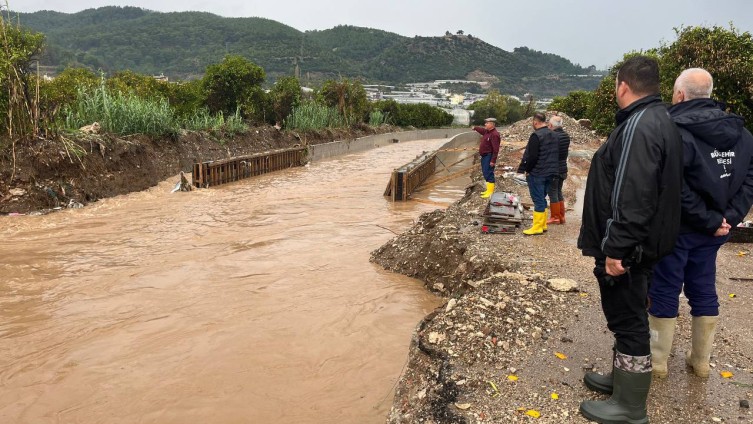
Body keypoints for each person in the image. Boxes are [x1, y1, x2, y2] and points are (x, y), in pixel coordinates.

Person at [577, 56, 683, 424]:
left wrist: (616, 248)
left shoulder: (639, 125)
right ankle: (622, 383)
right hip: (646, 244)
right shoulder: (658, 118)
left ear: (622, 85)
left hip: (630, 249)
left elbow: (632, 195)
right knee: (628, 315)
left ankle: (631, 405)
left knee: (628, 320)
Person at [647, 68, 753, 379]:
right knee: (704, 287)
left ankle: (657, 364)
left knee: (665, 287)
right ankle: (701, 362)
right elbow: (749, 180)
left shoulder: (672, 130)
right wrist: (728, 219)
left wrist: (709, 219)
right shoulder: (744, 135)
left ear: (679, 95)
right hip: (717, 230)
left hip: (678, 228)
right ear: (709, 95)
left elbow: (674, 185)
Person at [517, 112, 559, 235]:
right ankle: (543, 224)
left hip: (538, 173)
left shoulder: (536, 136)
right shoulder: (554, 135)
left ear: (535, 122)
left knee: (538, 200)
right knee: (543, 198)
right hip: (551, 172)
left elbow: (532, 156)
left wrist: (527, 170)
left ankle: (537, 228)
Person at [546, 115, 571, 225]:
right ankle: (561, 216)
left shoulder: (552, 136)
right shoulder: (566, 135)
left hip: (554, 169)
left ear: (551, 125)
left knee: (552, 192)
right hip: (563, 168)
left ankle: (555, 217)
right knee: (559, 191)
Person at [472, 118, 501, 198]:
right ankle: (488, 190)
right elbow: (481, 130)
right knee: (485, 173)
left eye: (487, 123)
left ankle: (490, 192)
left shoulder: (494, 134)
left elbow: (496, 149)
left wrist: (493, 160)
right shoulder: (487, 132)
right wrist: (475, 128)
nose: (485, 124)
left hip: (489, 156)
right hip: (485, 156)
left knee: (488, 173)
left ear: (492, 124)